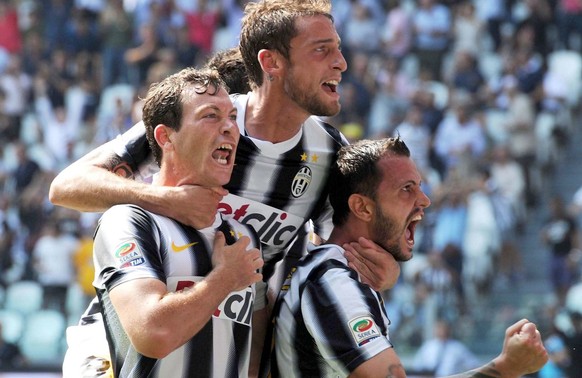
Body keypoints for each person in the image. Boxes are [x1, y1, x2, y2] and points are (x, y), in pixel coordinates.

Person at [48, 0, 395, 303]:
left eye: (338, 49)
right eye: (322, 49)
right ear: (271, 62)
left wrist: (384, 272)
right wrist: (167, 200)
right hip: (133, 336)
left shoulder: (333, 154)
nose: (341, 63)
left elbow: (353, 256)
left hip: (233, 350)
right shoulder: (204, 117)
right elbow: (67, 186)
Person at [272, 137, 548, 377]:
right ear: (362, 207)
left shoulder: (338, 274)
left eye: (420, 186)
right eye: (407, 189)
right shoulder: (334, 283)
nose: (425, 200)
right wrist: (505, 368)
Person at [72, 67, 264, 378]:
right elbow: (153, 333)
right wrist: (225, 278)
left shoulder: (242, 235)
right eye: (211, 116)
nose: (229, 127)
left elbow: (252, 355)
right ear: (166, 137)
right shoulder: (129, 222)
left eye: (232, 117)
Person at [412, 319, 481, 376]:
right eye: (439, 328)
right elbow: (417, 365)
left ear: (449, 330)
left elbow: (473, 364)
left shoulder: (457, 348)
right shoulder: (428, 346)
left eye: (444, 328)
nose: (441, 331)